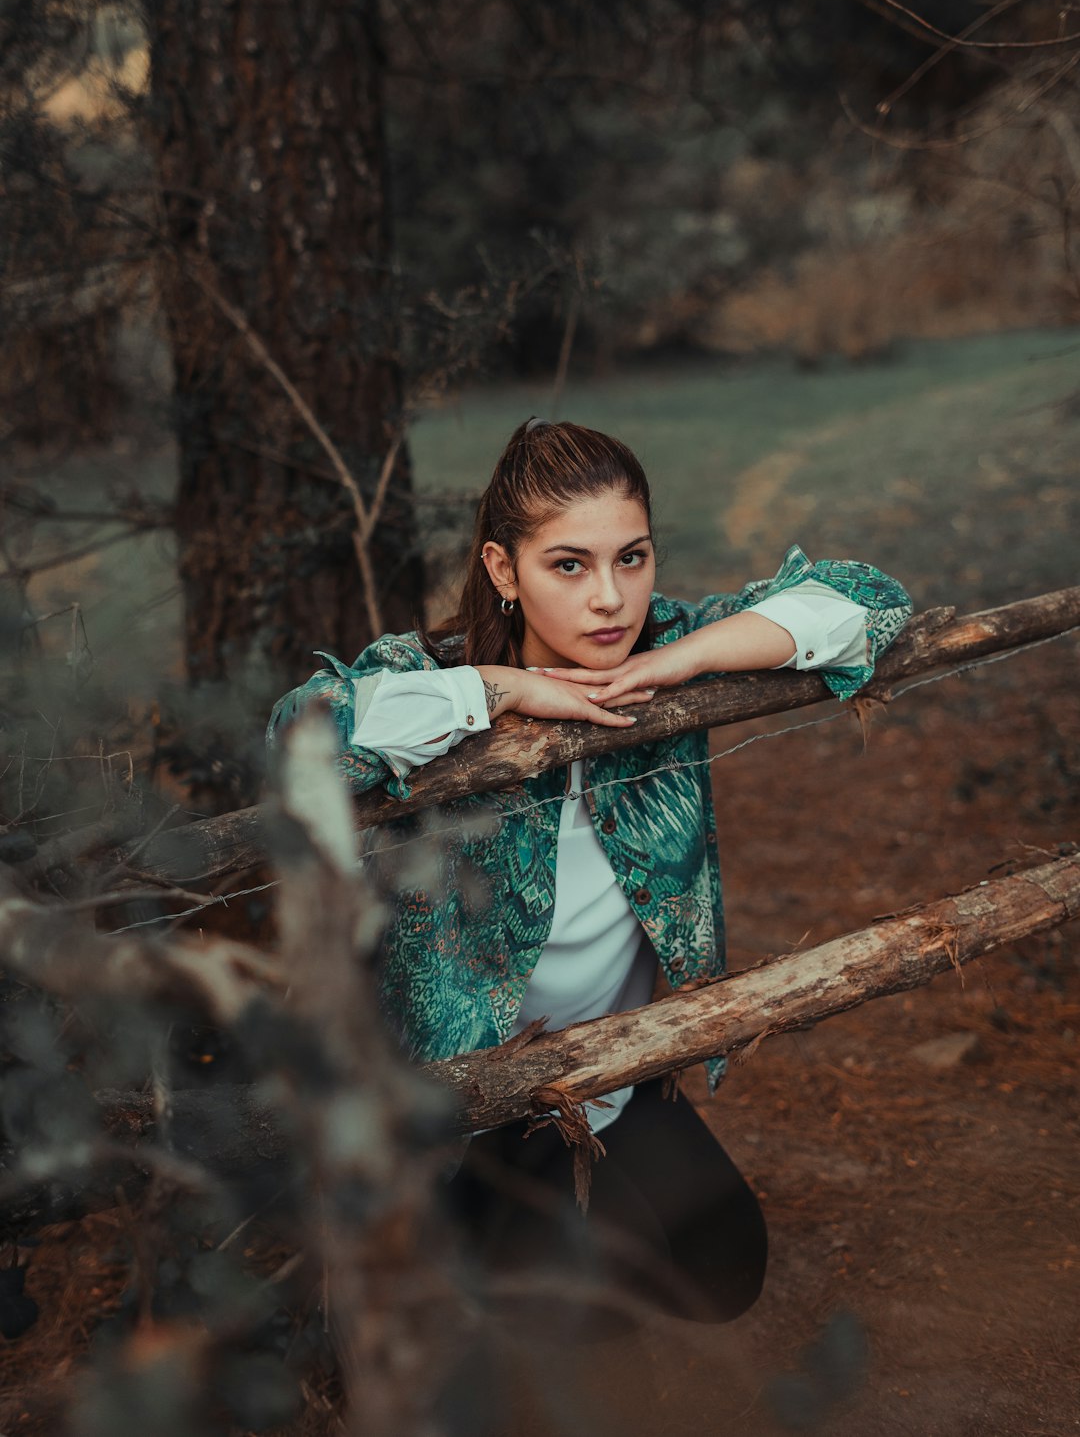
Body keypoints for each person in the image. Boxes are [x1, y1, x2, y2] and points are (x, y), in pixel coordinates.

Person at [266, 417, 913, 1343]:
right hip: (473, 1103)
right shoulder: (436, 678)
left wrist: (677, 661)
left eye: (633, 558)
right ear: (503, 570)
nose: (611, 600)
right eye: (568, 565)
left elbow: (871, 602)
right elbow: (301, 730)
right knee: (546, 1316)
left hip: (619, 1075)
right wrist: (506, 691)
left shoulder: (677, 645)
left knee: (725, 1271)